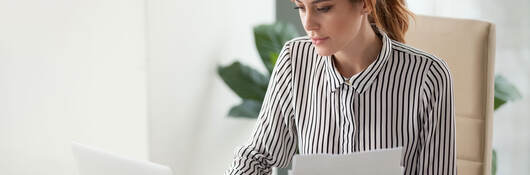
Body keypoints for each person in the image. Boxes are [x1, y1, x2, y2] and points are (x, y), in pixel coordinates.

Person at [226, 0, 456, 174]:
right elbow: (258, 157)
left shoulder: (428, 76)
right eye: (300, 7)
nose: (308, 24)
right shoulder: (295, 59)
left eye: (323, 8)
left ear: (365, 3)